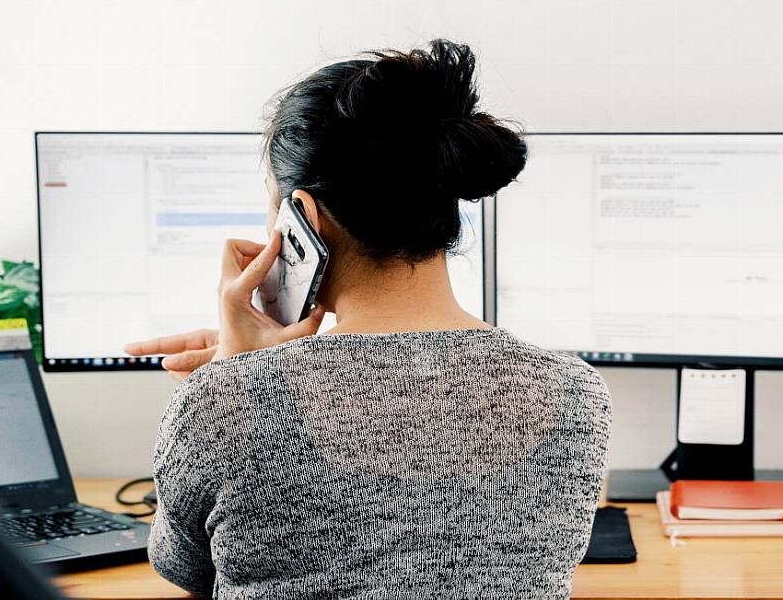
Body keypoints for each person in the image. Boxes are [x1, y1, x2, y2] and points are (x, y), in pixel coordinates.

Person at [124, 39, 611, 599]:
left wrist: (237, 379)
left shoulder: (222, 401)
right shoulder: (578, 394)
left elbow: (186, 574)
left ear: (302, 216)